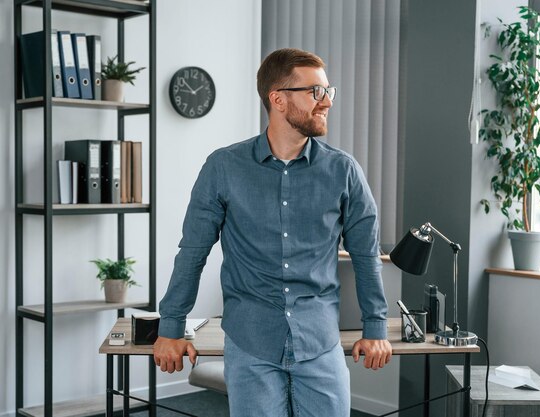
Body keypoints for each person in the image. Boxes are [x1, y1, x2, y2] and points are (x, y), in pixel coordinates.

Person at [154, 48, 392, 417]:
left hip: (320, 343)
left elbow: (366, 256)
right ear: (277, 99)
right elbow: (192, 252)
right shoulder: (223, 167)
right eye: (315, 91)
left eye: (328, 91)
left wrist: (375, 327)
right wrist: (171, 327)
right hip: (251, 342)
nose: (327, 101)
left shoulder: (344, 171)